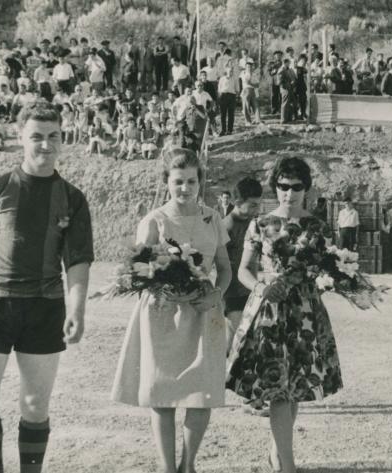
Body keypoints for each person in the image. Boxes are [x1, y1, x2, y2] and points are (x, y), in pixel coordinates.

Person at [0, 100, 93, 473]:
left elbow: (76, 262)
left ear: (62, 138)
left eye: (53, 136)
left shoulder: (72, 198)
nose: (45, 145)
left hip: (44, 309)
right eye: (37, 137)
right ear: (21, 138)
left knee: (35, 406)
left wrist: (76, 309)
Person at [112, 148, 231, 473]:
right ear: (167, 182)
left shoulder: (212, 218)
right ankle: (167, 468)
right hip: (162, 314)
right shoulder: (154, 221)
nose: (185, 188)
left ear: (200, 182)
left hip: (202, 310)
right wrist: (163, 286)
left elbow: (224, 267)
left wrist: (215, 295)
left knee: (202, 392)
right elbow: (137, 269)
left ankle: (188, 464)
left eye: (191, 181)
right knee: (161, 393)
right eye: (178, 182)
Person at [226, 157, 343, 473]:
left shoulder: (317, 227)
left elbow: (327, 271)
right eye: (282, 186)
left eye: (296, 187)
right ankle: (287, 466)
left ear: (307, 189)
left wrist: (325, 281)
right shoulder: (260, 224)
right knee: (278, 389)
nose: (288, 193)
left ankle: (277, 455)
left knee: (294, 390)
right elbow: (243, 271)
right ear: (274, 187)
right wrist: (262, 288)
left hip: (304, 312)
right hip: (270, 311)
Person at [222, 177, 263, 350]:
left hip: (251, 289)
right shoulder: (226, 226)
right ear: (238, 202)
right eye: (253, 205)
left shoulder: (253, 224)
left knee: (249, 343)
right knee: (232, 342)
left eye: (258, 205)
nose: (257, 209)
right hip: (233, 293)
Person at [217, 64, 238, 135]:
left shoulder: (235, 79)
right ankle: (223, 130)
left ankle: (229, 130)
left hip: (232, 96)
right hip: (223, 96)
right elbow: (219, 89)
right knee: (223, 114)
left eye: (231, 71)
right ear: (226, 71)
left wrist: (235, 96)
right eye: (229, 71)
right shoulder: (222, 79)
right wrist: (220, 97)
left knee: (231, 114)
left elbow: (237, 89)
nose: (230, 72)